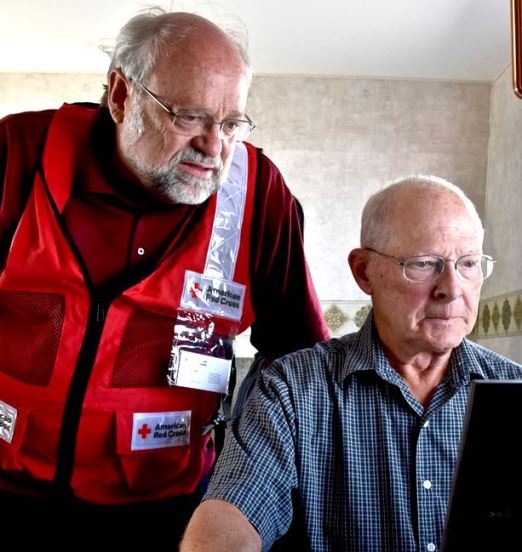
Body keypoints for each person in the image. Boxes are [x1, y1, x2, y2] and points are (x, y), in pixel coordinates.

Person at [0, 6, 329, 538]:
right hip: (10, 491)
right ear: (121, 96)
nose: (214, 145)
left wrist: (247, 484)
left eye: (230, 123)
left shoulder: (260, 195)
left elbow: (298, 362)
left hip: (169, 512)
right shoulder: (18, 152)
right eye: (189, 117)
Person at [180, 175, 522, 552]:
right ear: (364, 271)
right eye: (424, 264)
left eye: (469, 263)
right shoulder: (292, 388)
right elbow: (235, 510)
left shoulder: (513, 389)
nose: (452, 288)